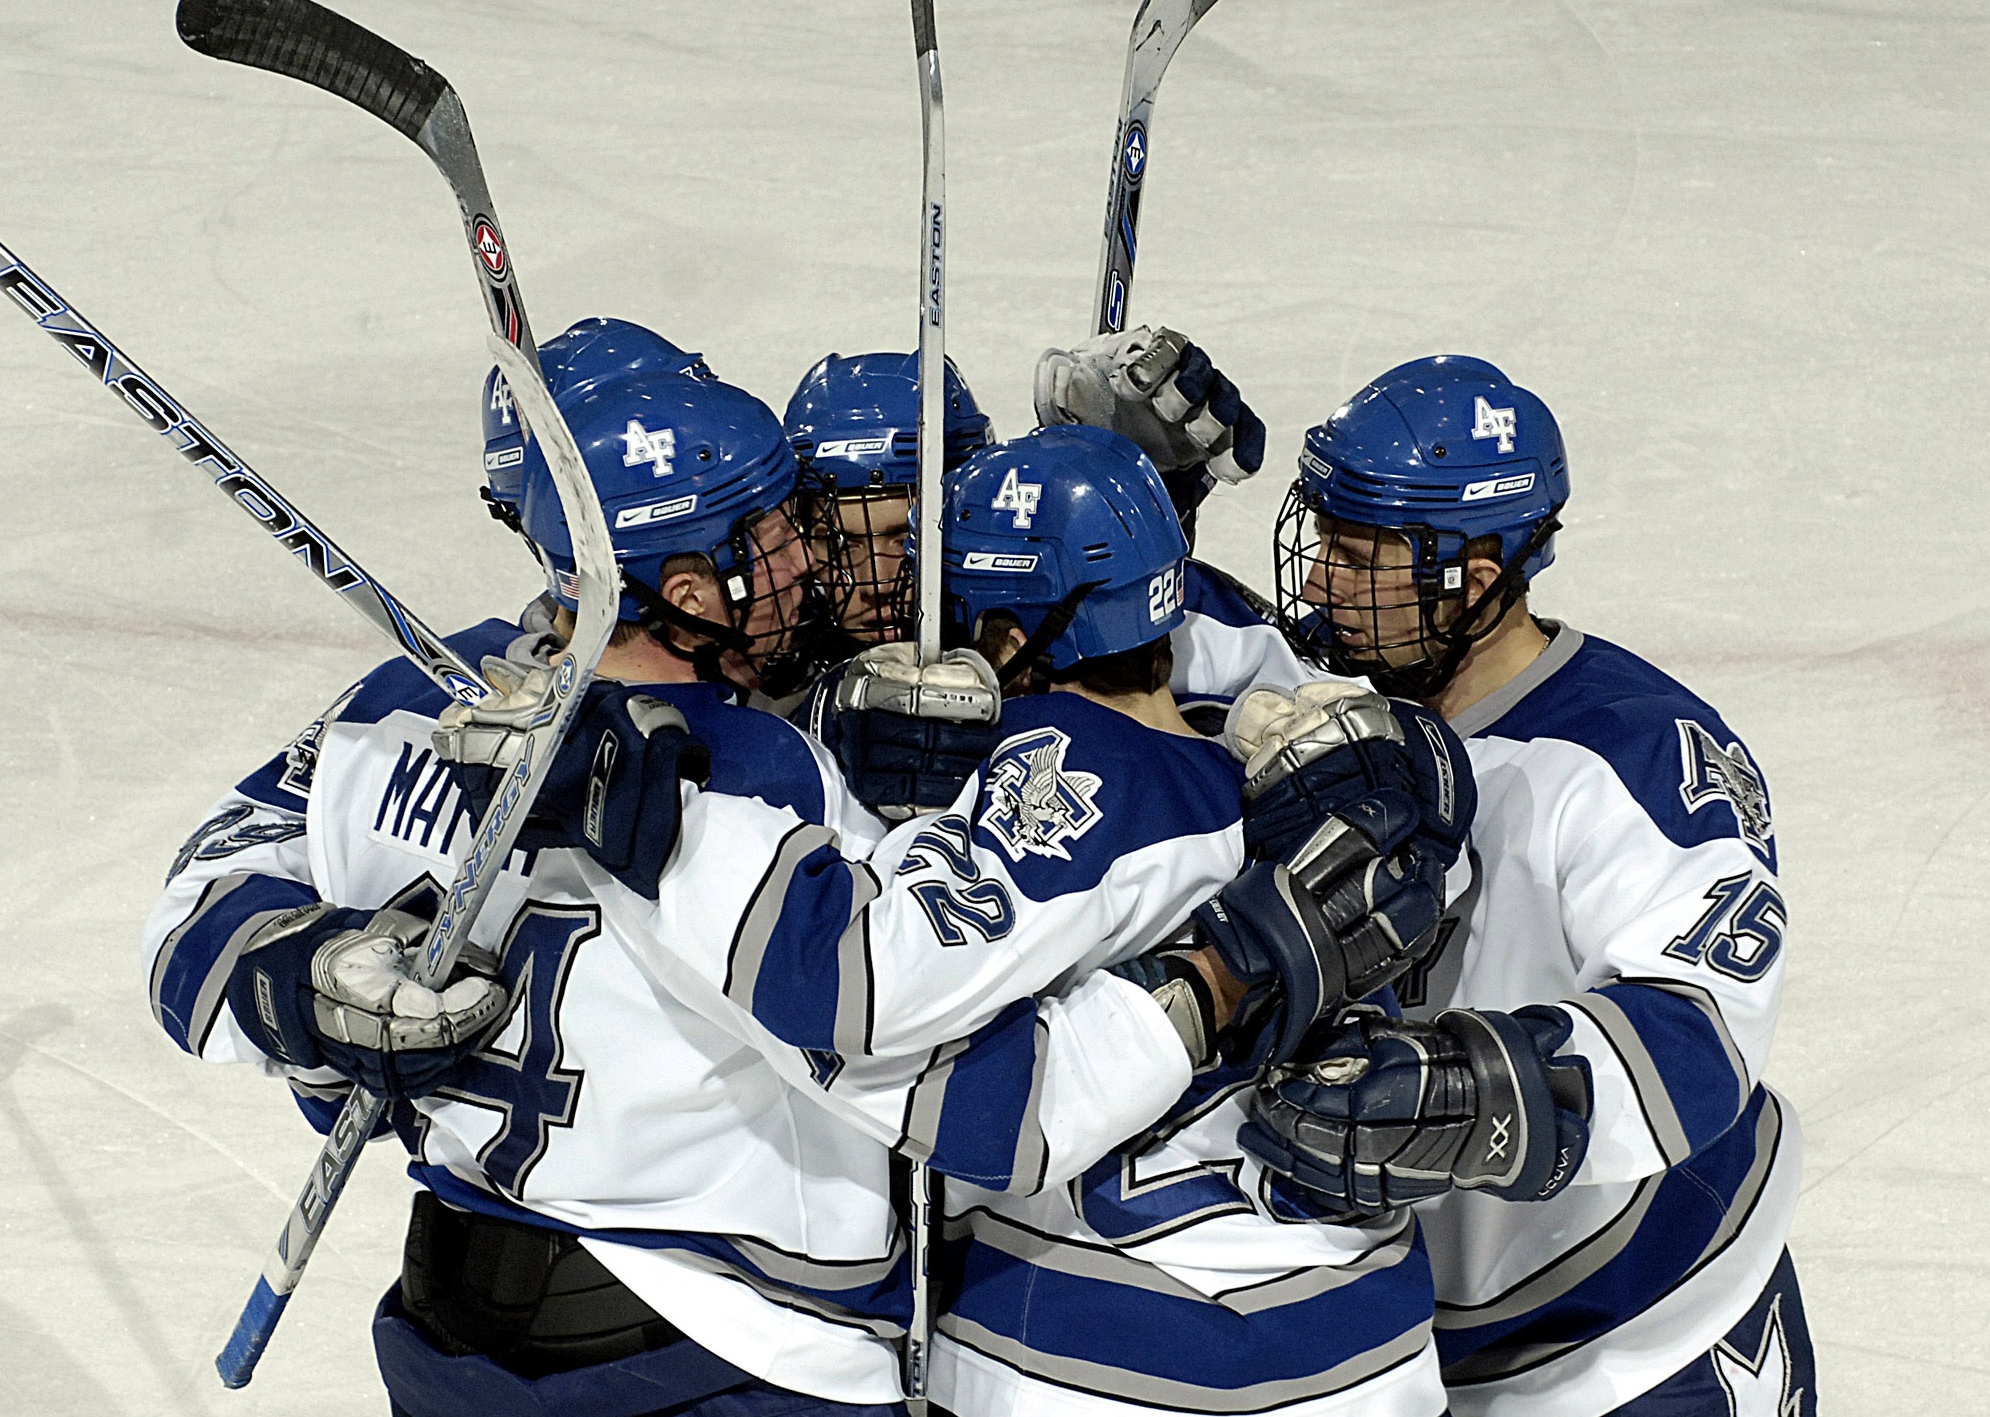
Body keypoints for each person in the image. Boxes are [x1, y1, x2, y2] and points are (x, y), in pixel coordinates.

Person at [143, 364, 1444, 1417]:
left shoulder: (410, 702)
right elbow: (894, 1024)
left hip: (450, 1317)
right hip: (734, 1343)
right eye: (770, 532)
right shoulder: (758, 760)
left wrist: (293, 979)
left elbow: (202, 896)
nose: (808, 559)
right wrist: (1223, 974)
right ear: (691, 578)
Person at [1232, 356, 1812, 1417]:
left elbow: (1701, 1036)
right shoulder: (1340, 718)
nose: (1317, 581)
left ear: (1477, 570)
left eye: (1358, 555)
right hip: (1428, 1343)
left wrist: (1468, 1097)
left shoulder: (1634, 758)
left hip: (1648, 1333)